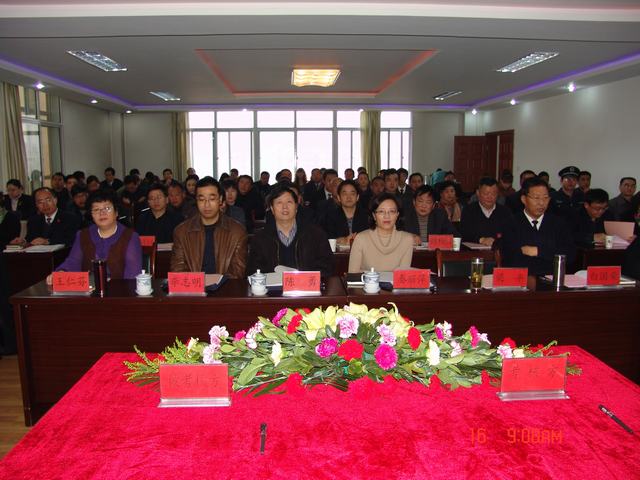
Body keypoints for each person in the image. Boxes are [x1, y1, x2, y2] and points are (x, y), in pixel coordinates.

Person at [47, 189, 141, 282]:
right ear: (91, 215)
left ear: (116, 212)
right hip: (88, 289)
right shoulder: (83, 235)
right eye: (96, 209)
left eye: (107, 208)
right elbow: (74, 261)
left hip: (120, 290)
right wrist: (62, 272)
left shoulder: (130, 237)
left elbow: (132, 276)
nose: (102, 213)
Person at [248, 184, 334, 277]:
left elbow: (327, 268)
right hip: (272, 286)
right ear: (272, 209)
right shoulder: (260, 238)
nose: (285, 207)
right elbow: (253, 271)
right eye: (279, 202)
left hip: (306, 285)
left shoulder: (316, 235)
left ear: (296, 207)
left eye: (289, 202)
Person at [170, 177, 247, 278]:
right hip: (192, 286)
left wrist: (216, 284)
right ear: (196, 201)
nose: (207, 205)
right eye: (201, 199)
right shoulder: (181, 232)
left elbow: (237, 272)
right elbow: (178, 269)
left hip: (225, 286)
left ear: (220, 200)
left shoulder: (237, 231)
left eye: (212, 199)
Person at [501, 177, 575, 275]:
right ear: (524, 199)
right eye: (536, 198)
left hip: (551, 278)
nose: (541, 203)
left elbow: (570, 254)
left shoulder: (558, 223)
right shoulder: (511, 223)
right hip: (520, 278)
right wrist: (551, 253)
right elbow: (510, 257)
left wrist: (538, 251)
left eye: (545, 198)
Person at [348, 193, 414, 273]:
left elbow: (402, 275)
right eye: (381, 211)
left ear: (397, 215)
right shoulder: (361, 238)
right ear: (374, 215)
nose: (387, 216)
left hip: (394, 282)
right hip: (367, 281)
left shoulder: (407, 239)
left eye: (392, 211)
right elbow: (353, 273)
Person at [11, 187, 80, 247]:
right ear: (36, 205)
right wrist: (23, 241)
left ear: (55, 200)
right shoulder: (33, 220)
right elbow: (30, 238)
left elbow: (71, 239)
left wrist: (48, 241)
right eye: (40, 202)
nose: (45, 205)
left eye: (48, 200)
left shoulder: (70, 218)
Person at [460, 177, 513, 247]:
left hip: (499, 251)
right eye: (486, 193)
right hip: (474, 251)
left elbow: (511, 234)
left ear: (498, 194)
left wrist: (497, 242)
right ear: (478, 193)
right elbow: (464, 234)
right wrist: (481, 240)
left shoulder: (505, 212)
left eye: (493, 194)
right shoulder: (468, 210)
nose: (490, 197)